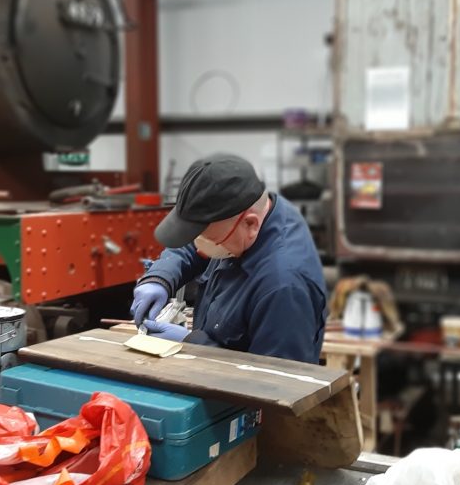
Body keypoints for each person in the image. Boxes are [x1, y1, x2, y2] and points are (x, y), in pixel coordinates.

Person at [130, 153, 327, 364]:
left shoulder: (283, 288)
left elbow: (274, 383)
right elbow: (195, 240)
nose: (198, 242)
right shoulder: (246, 219)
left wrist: (191, 343)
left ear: (250, 225)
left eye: (207, 237)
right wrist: (160, 278)